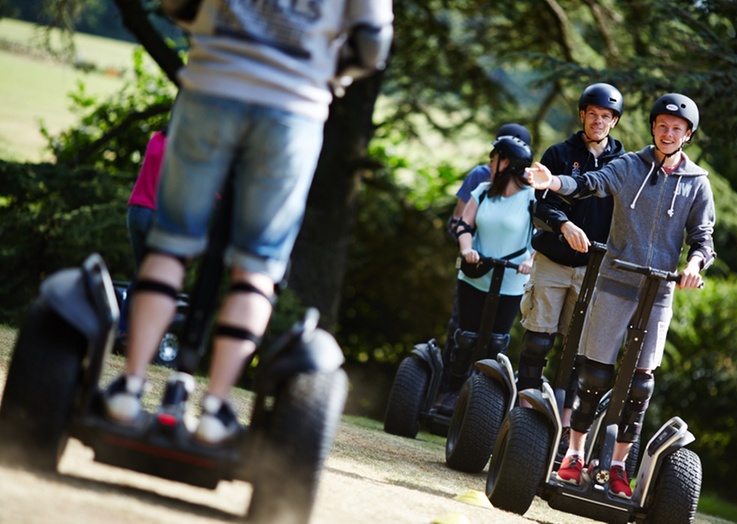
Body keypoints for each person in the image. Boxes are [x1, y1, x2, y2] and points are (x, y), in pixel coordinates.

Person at [103, 0, 394, 445]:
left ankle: (130, 386)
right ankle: (216, 409)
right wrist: (331, 72)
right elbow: (372, 43)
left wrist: (206, 29)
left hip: (212, 82)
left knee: (170, 243)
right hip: (293, 105)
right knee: (257, 264)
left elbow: (176, 3)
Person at [525, 93, 715, 499]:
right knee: (594, 374)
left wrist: (694, 266)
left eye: (676, 129)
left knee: (641, 385)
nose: (668, 133)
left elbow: (703, 239)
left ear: (688, 135)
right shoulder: (630, 166)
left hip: (658, 292)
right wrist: (553, 181)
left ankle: (617, 467)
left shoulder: (697, 182)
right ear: (652, 127)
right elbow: (589, 184)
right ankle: (574, 456)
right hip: (615, 282)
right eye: (662, 125)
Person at [515, 83, 626, 435]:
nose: (598, 121)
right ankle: (523, 411)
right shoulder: (559, 154)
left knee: (578, 351)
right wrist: (564, 225)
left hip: (593, 270)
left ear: (614, 121)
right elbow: (540, 205)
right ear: (582, 115)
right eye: (592, 114)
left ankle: (565, 424)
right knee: (538, 340)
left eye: (605, 117)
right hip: (553, 261)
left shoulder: (624, 165)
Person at [436, 123, 532, 413]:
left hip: (512, 279)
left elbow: (541, 234)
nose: (489, 163)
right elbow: (464, 224)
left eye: (495, 158)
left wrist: (531, 260)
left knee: (495, 342)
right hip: (475, 274)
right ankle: (453, 392)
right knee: (466, 338)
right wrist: (467, 249)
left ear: (509, 163)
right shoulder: (482, 189)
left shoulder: (532, 197)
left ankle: (483, 402)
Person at [117, 129, 168, 339]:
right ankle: (128, 330)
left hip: (135, 210)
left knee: (143, 272)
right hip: (154, 214)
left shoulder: (156, 138)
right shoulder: (180, 146)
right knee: (152, 276)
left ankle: (125, 329)